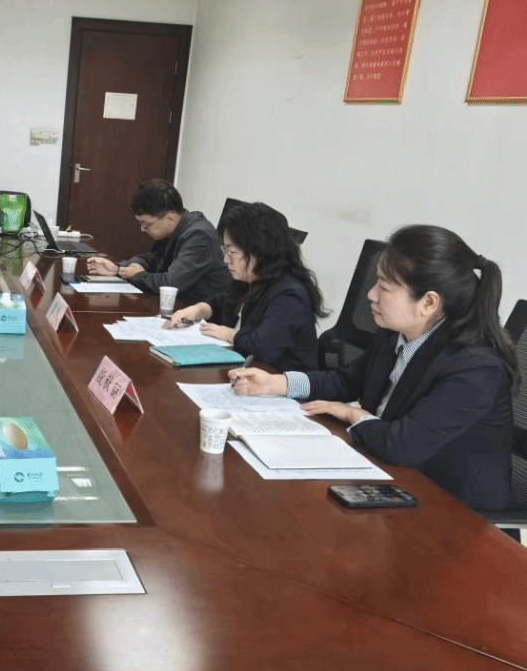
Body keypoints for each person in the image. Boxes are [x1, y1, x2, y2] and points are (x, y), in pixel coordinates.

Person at [230, 224, 516, 511]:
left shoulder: (477, 368)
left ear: (428, 303)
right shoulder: (397, 333)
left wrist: (352, 413)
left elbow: (402, 445)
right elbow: (347, 381)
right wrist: (277, 383)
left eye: (384, 287)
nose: (371, 294)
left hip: (453, 512)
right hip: (390, 478)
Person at [163, 201, 327, 371]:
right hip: (243, 369)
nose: (226, 259)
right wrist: (199, 310)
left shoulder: (289, 295)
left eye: (232, 252)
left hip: (277, 379)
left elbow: (262, 347)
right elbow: (222, 302)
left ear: (259, 251)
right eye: (224, 251)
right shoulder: (249, 278)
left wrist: (231, 334)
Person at [86, 179, 228, 305]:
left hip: (200, 317)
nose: (142, 229)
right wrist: (119, 269)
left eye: (146, 224)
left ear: (170, 217)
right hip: (174, 307)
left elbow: (170, 284)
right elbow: (152, 258)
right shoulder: (173, 228)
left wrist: (137, 275)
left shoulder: (199, 236)